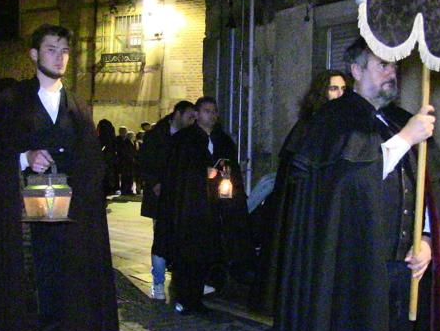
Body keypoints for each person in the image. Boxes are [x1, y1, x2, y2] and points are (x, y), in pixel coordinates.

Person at [272, 37, 440, 331]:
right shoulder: (333, 122)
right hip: (353, 272)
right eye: (382, 65)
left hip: (405, 270)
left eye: (395, 66)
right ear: (356, 71)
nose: (392, 72)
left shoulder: (400, 120)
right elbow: (350, 185)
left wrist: (426, 239)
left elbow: (425, 186)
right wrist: (406, 140)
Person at [0, 24, 119, 331]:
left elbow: (93, 163)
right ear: (34, 54)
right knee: (27, 286)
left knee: (63, 286)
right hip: (19, 218)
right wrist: (24, 157)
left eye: (65, 51)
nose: (60, 57)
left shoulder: (78, 106)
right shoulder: (11, 102)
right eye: (52, 50)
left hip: (67, 218)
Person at [251, 69, 348, 314]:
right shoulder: (310, 125)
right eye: (333, 88)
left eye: (343, 89)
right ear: (322, 92)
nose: (338, 94)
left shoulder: (344, 125)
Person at [161, 96, 253, 315]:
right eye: (206, 111)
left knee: (207, 255)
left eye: (214, 111)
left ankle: (200, 295)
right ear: (197, 113)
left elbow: (231, 170)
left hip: (217, 208)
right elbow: (178, 174)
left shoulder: (223, 141)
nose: (211, 115)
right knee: (189, 255)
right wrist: (202, 174)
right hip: (192, 209)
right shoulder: (184, 140)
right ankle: (185, 297)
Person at [138, 100, 196, 300]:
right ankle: (158, 282)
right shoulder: (156, 135)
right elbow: (144, 162)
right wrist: (154, 182)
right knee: (161, 237)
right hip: (160, 196)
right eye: (189, 116)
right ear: (178, 114)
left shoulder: (188, 137)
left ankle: (178, 278)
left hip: (181, 196)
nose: (192, 121)